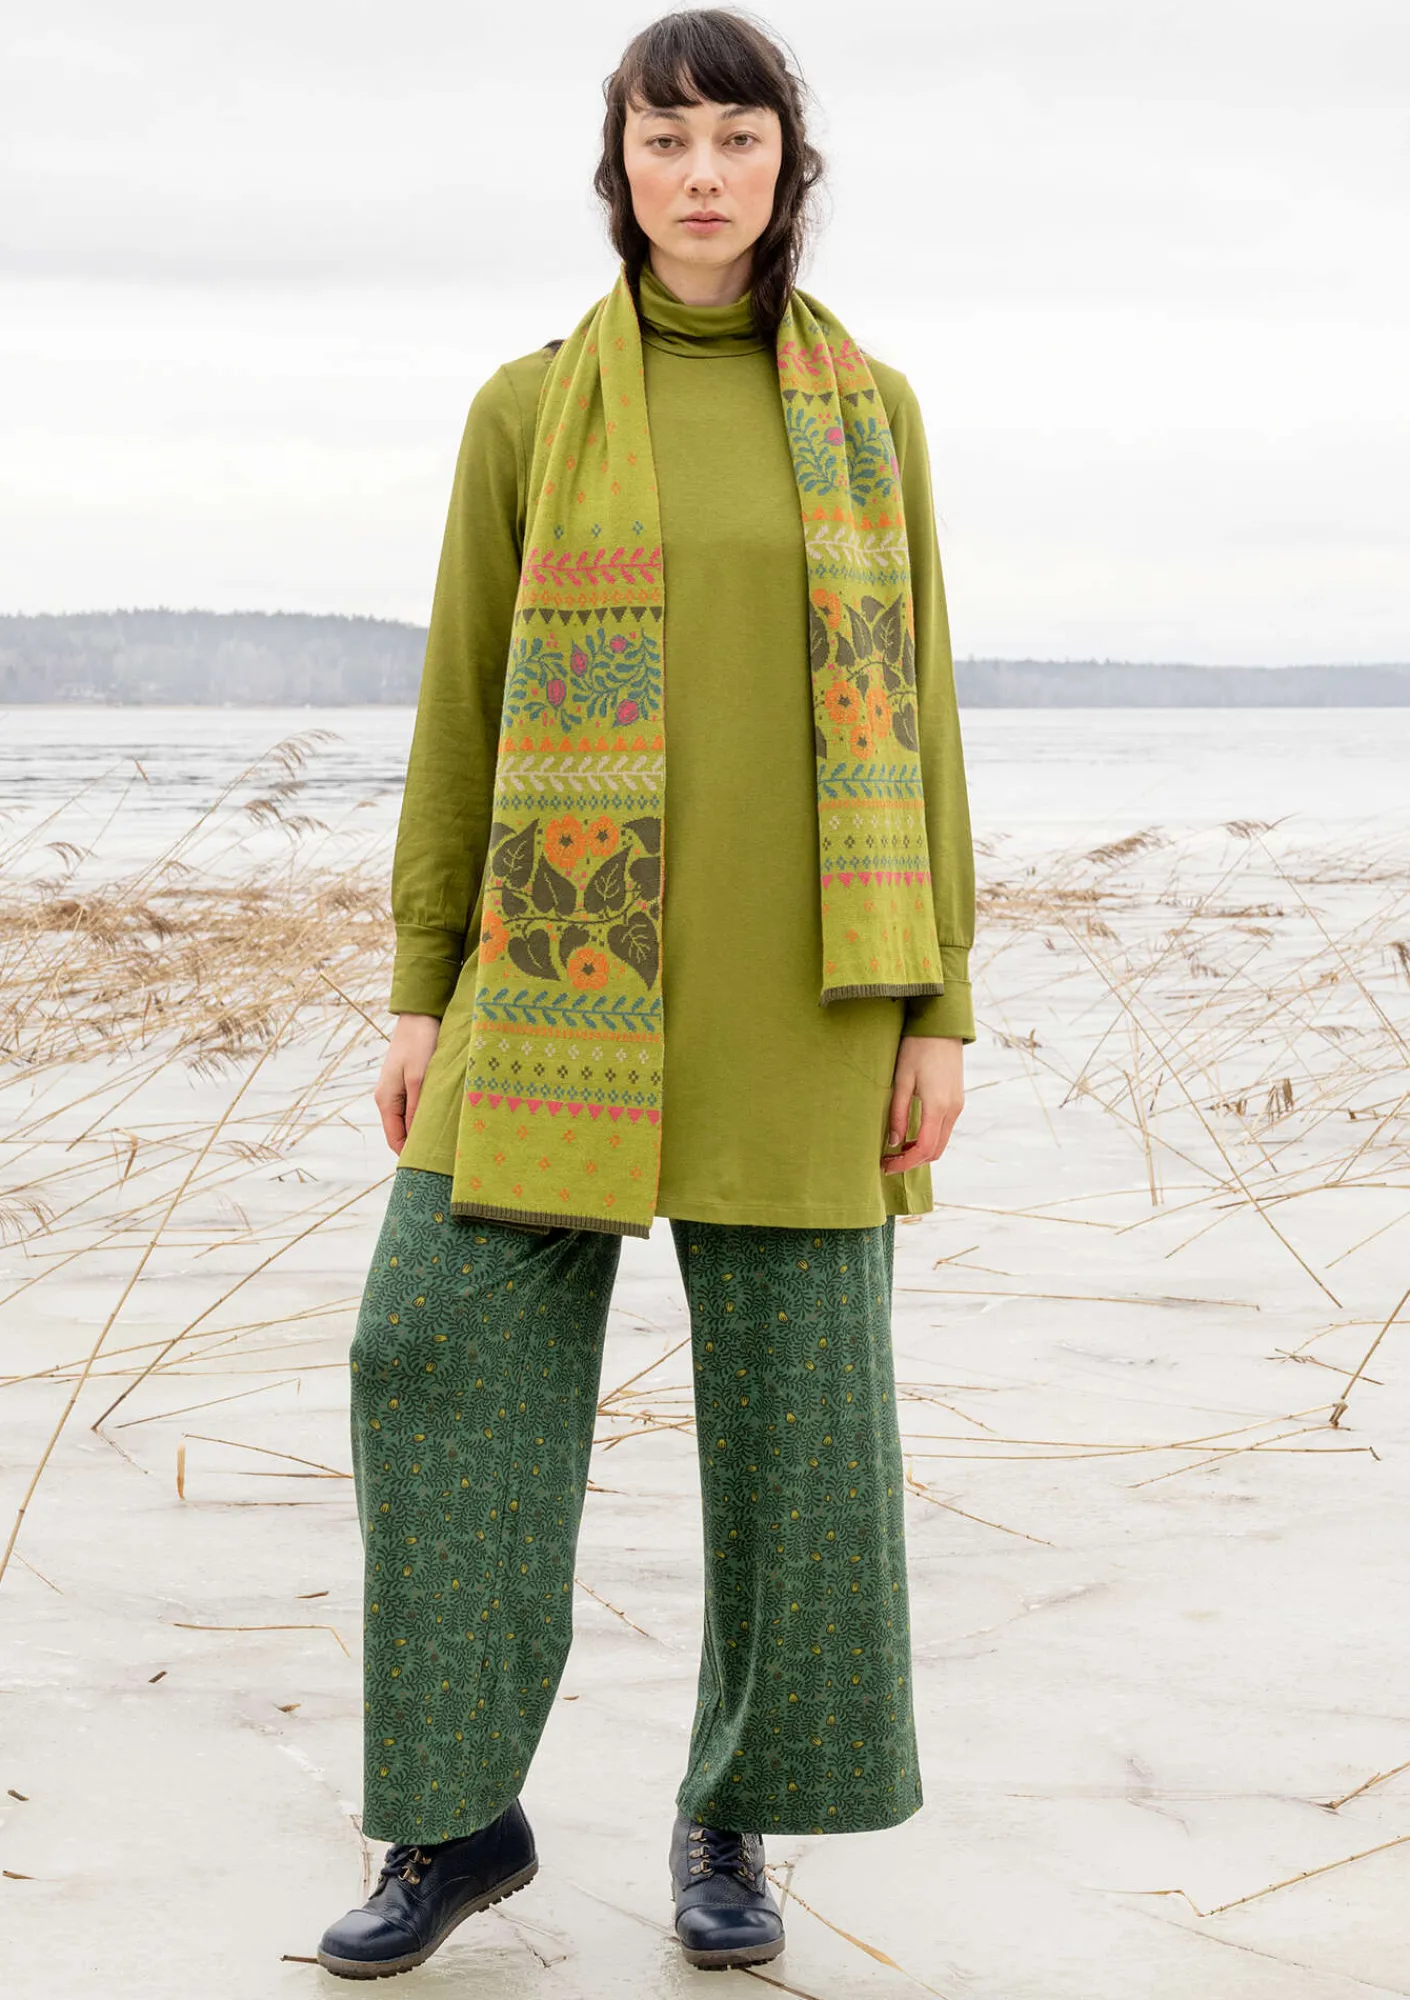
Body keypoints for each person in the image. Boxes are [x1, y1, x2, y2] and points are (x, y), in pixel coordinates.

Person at [316, 6, 975, 1978]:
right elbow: (459, 708)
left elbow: (921, 715)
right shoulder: (530, 411)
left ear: (788, 164)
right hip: (562, 972)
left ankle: (732, 1814)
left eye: (737, 137)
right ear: (618, 166)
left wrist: (940, 1003)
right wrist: (422, 986)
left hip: (810, 991)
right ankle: (455, 1819)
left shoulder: (870, 412)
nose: (702, 173)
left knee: (800, 1441)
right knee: (424, 1353)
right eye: (665, 138)